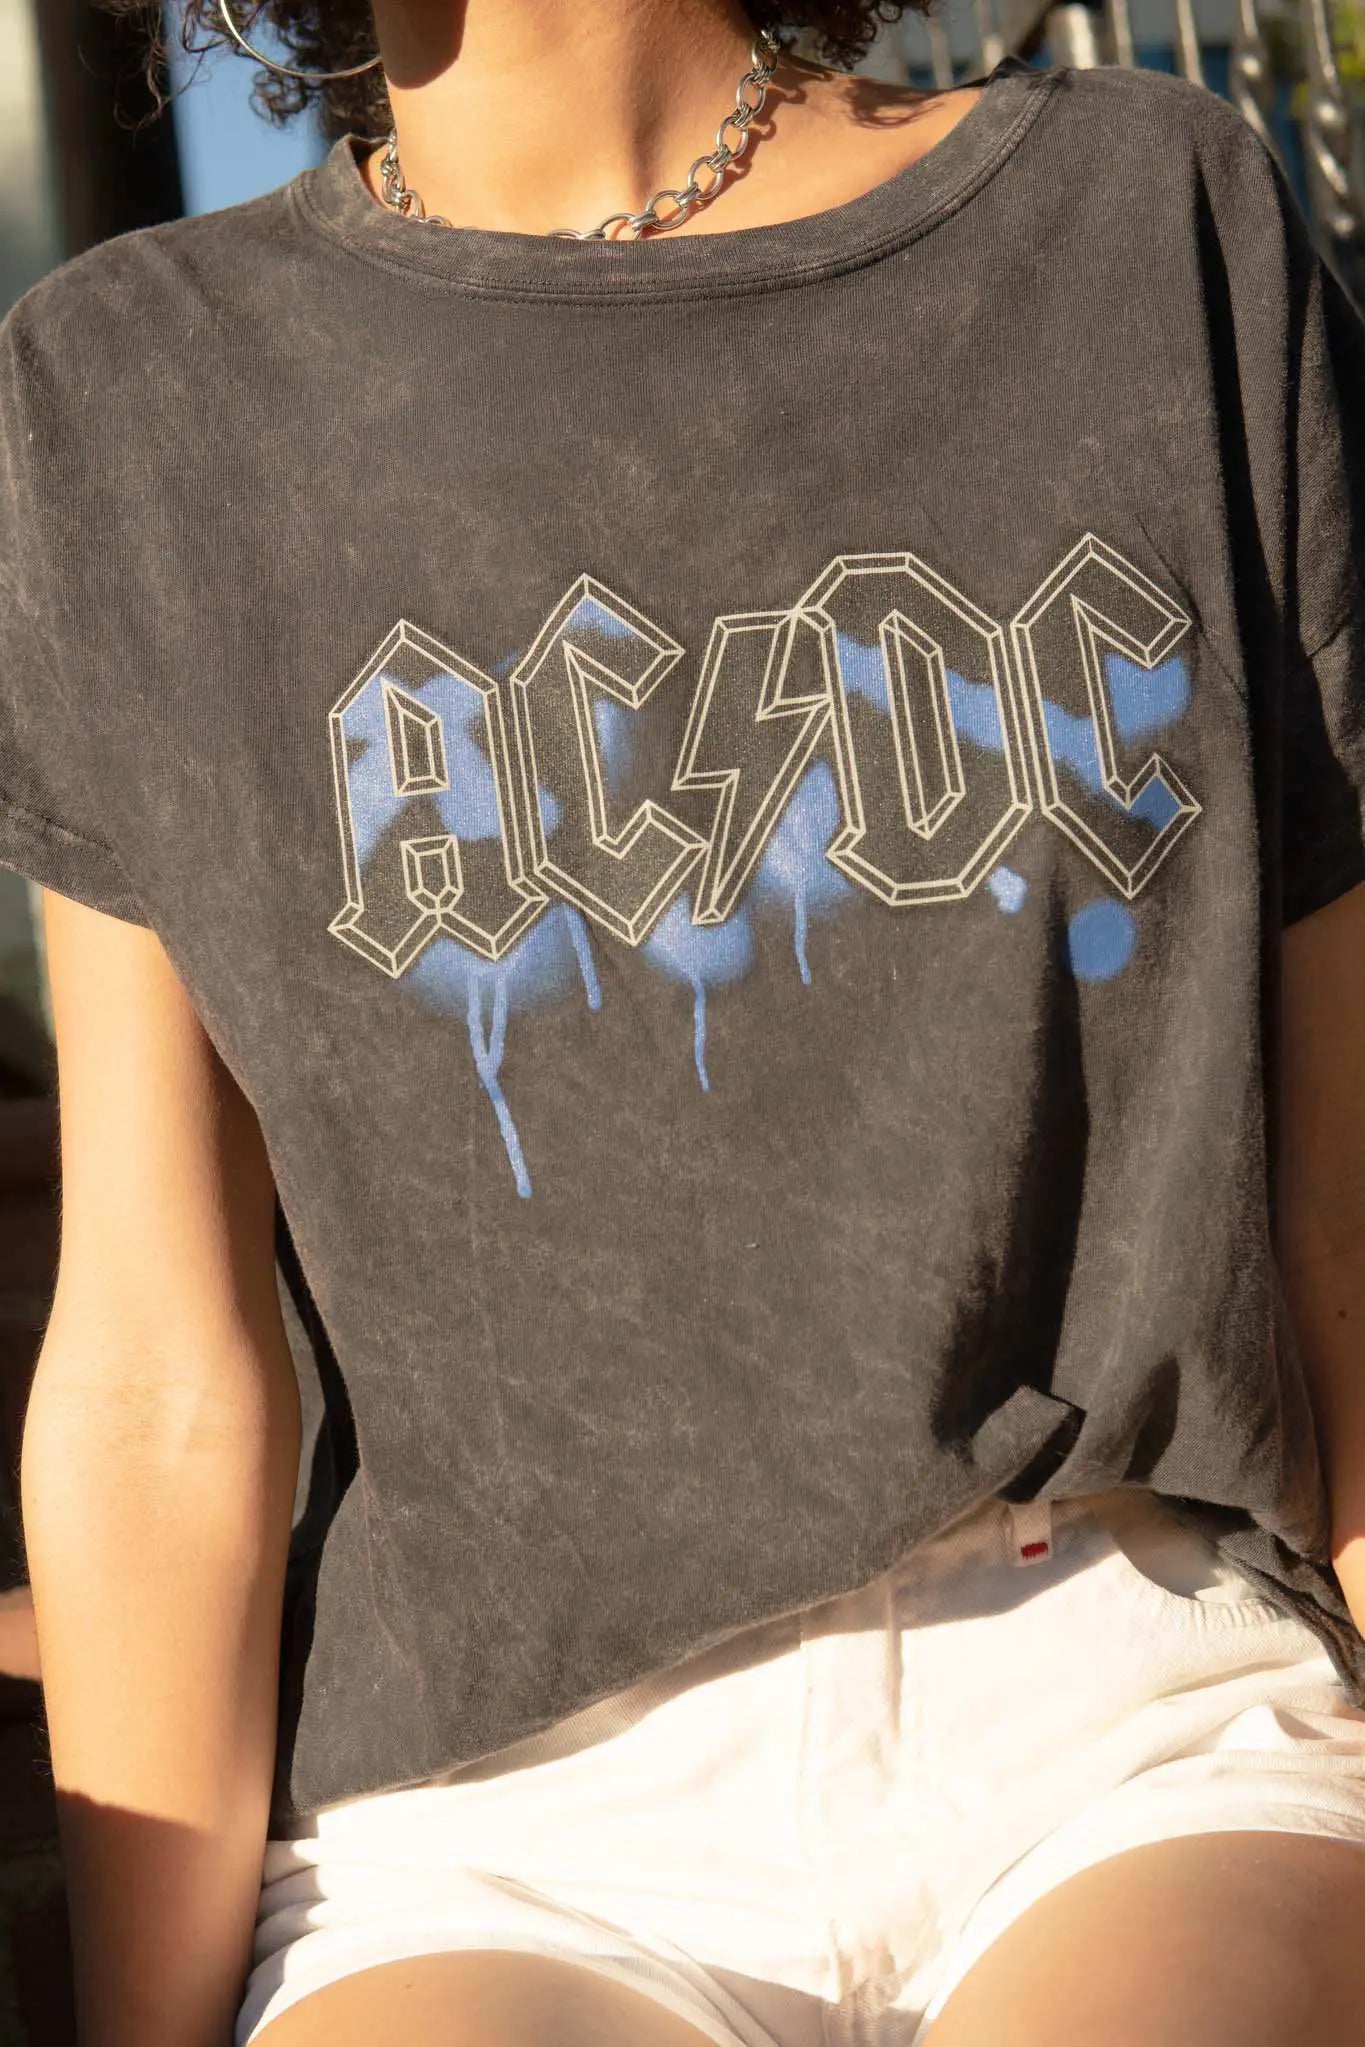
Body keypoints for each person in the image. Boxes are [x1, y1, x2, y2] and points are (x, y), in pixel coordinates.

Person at [5, 1, 1365, 2041]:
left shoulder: (1141, 227)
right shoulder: (126, 398)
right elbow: (154, 1368)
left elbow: (1342, 1204)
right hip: (491, 1834)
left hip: (1129, 1716)